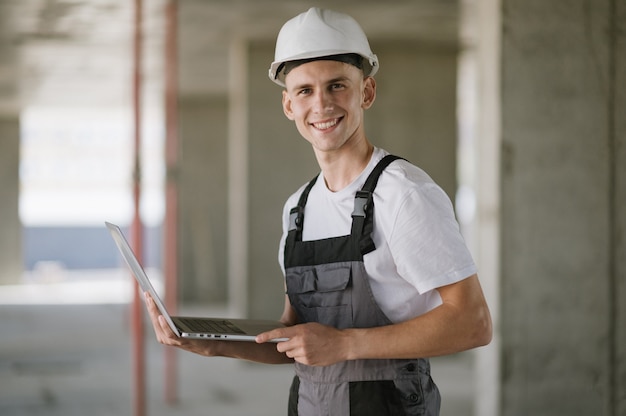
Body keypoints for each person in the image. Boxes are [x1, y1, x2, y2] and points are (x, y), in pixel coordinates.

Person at [145, 7, 492, 415]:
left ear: (367, 92)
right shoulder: (298, 210)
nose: (322, 104)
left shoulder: (404, 194)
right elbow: (296, 342)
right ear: (288, 105)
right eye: (305, 91)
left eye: (337, 86)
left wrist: (345, 343)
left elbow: (472, 322)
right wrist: (209, 343)